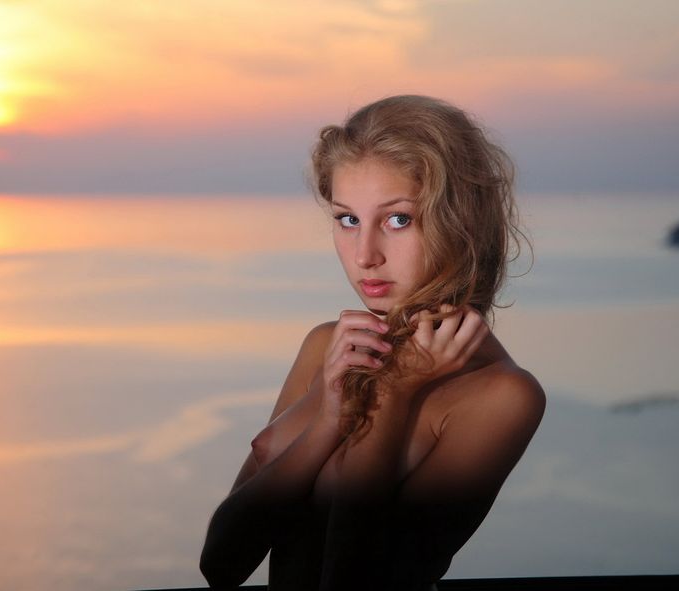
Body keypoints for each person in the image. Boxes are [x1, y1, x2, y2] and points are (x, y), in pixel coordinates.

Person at [200, 95, 546, 591]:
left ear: (461, 220)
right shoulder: (329, 347)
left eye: (397, 219)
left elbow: (353, 582)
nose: (364, 256)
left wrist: (394, 392)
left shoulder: (502, 397)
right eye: (348, 219)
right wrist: (330, 421)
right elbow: (221, 564)